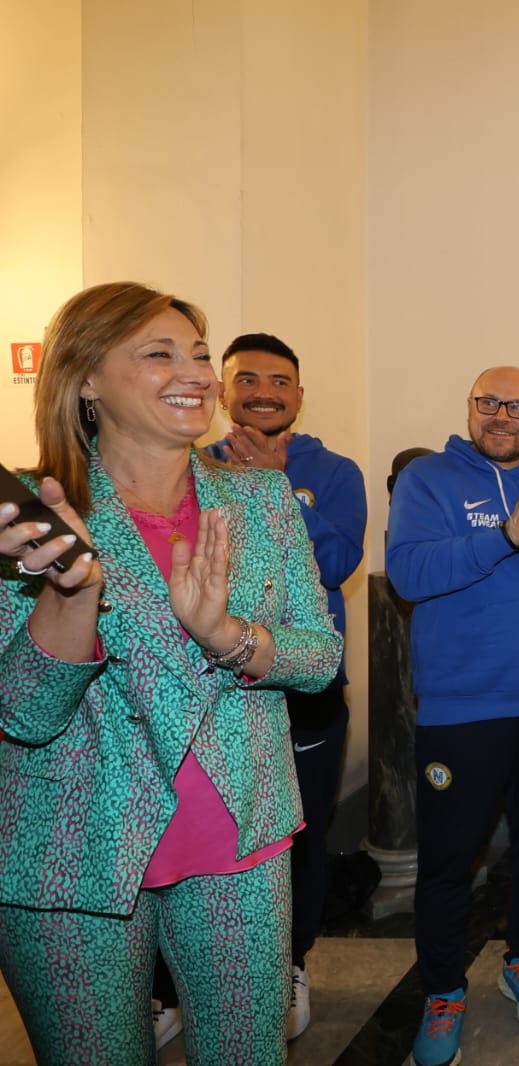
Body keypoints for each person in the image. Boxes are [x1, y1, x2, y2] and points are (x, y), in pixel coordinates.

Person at [0, 281, 342, 1065]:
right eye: (158, 353)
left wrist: (227, 635)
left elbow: (320, 659)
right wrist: (72, 591)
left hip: (239, 842)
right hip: (69, 849)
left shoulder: (260, 499)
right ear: (85, 377)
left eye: (198, 354)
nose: (196, 372)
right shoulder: (31, 511)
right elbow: (24, 712)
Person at [385, 366, 519, 1066]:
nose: (502, 415)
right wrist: (507, 537)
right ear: (471, 409)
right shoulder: (429, 480)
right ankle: (444, 990)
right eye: (489, 402)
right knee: (450, 862)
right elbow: (410, 574)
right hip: (462, 710)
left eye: (518, 406)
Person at [206, 331, 367, 1039]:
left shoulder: (333, 471)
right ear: (223, 390)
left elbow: (337, 563)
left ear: (299, 396)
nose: (264, 392)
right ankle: (178, 984)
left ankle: (289, 962)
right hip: (210, 689)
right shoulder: (188, 466)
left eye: (279, 382)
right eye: (248, 380)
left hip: (303, 685)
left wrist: (279, 490)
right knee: (210, 828)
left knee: (298, 835)